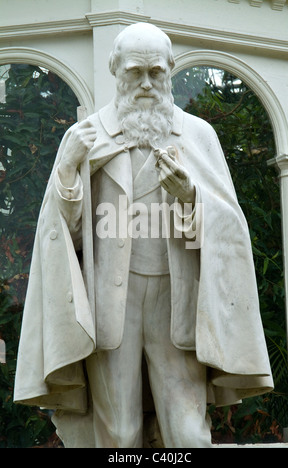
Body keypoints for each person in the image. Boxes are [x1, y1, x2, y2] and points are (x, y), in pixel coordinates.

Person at [14, 23, 273, 448]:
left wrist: (191, 196)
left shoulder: (198, 136)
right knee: (118, 435)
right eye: (136, 72)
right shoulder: (85, 138)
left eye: (157, 72)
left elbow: (232, 229)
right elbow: (63, 237)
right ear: (116, 70)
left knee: (188, 432)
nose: (148, 84)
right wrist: (67, 171)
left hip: (178, 307)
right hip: (110, 310)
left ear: (171, 71)